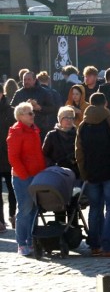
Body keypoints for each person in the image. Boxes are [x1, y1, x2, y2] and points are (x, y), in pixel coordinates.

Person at [75, 92, 110, 257]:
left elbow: (79, 153)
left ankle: (94, 244)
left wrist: (84, 172)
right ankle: (108, 245)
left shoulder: (83, 125)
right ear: (105, 104)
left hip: (91, 173)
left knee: (95, 209)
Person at [7, 102, 47, 255]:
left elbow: (37, 154)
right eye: (29, 113)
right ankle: (22, 242)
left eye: (32, 112)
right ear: (20, 116)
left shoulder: (34, 130)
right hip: (23, 177)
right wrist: (24, 175)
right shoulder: (16, 131)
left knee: (34, 209)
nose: (33, 115)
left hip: (36, 176)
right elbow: (13, 157)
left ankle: (32, 240)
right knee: (25, 209)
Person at [10, 71, 56, 141]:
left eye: (29, 79)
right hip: (23, 129)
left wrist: (39, 108)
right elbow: (11, 109)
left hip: (40, 129)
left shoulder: (44, 92)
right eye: (24, 80)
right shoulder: (18, 93)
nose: (26, 82)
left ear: (34, 80)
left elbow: (52, 108)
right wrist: (23, 107)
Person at [42, 106, 80, 179]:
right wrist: (53, 166)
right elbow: (44, 155)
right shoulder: (52, 135)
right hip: (57, 174)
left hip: (76, 173)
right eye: (66, 118)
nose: (69, 120)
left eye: (71, 118)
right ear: (60, 119)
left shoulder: (78, 134)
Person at [0, 84, 16, 232]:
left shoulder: (10, 111)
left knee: (12, 189)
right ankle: (0, 221)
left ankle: (13, 215)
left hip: (9, 154)